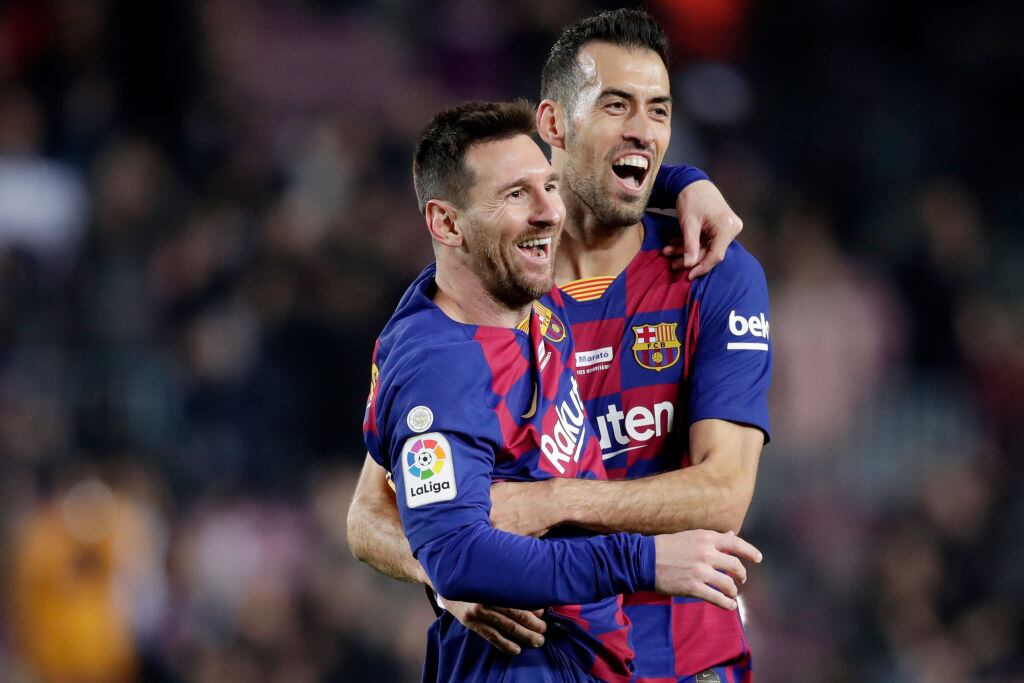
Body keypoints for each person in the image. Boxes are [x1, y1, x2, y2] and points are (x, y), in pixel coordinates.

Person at [350, 9, 773, 682]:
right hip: (536, 654)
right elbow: (371, 515)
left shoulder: (712, 270)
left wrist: (552, 502)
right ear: (554, 125)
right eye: (615, 105)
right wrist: (450, 572)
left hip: (685, 652)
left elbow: (723, 494)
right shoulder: (482, 295)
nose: (642, 129)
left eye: (659, 110)